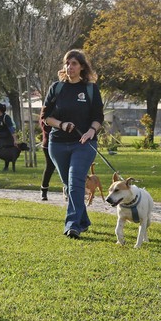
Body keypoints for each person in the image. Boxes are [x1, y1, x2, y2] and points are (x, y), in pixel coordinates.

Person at [41, 49, 104, 239]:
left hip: (84, 144)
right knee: (69, 185)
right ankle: (83, 220)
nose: (70, 67)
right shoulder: (57, 88)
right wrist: (62, 124)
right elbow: (45, 117)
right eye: (67, 63)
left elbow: (98, 117)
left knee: (76, 181)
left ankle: (73, 225)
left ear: (82, 67)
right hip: (58, 144)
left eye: (74, 63)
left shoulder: (91, 89)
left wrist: (91, 131)